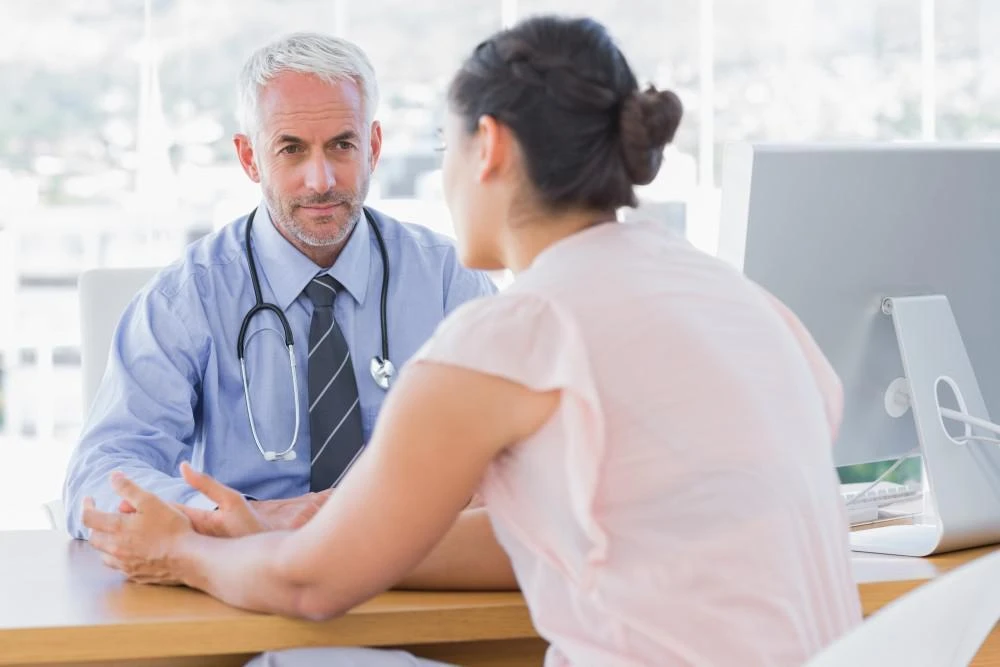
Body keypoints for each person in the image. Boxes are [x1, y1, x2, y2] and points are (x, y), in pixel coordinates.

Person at [82, 15, 863, 666]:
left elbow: (309, 587)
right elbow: (549, 531)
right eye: (293, 150)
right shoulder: (740, 296)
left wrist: (183, 552)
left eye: (446, 149)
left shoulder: (511, 332)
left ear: (487, 148)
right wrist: (281, 521)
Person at [63, 32, 497, 539]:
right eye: (291, 150)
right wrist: (242, 518)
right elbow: (100, 476)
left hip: (414, 568)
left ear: (373, 147)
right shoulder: (186, 299)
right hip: (244, 572)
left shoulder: (448, 281)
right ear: (250, 158)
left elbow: (513, 456)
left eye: (342, 145)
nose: (321, 180)